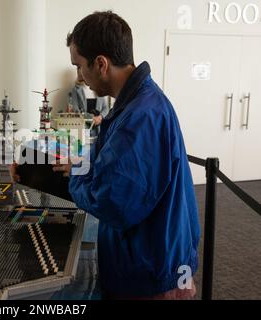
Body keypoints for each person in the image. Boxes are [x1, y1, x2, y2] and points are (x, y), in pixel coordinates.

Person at [53, 11, 200, 300]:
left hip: (154, 276)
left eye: (80, 67)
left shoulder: (141, 116)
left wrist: (76, 177)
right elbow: (113, 160)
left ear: (101, 63)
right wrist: (81, 165)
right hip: (153, 262)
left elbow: (113, 204)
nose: (80, 77)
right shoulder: (134, 104)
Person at [68, 70, 110, 136]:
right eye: (78, 68)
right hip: (83, 127)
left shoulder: (98, 87)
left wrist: (100, 117)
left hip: (99, 127)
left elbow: (106, 107)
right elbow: (75, 110)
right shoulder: (75, 89)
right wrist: (90, 118)